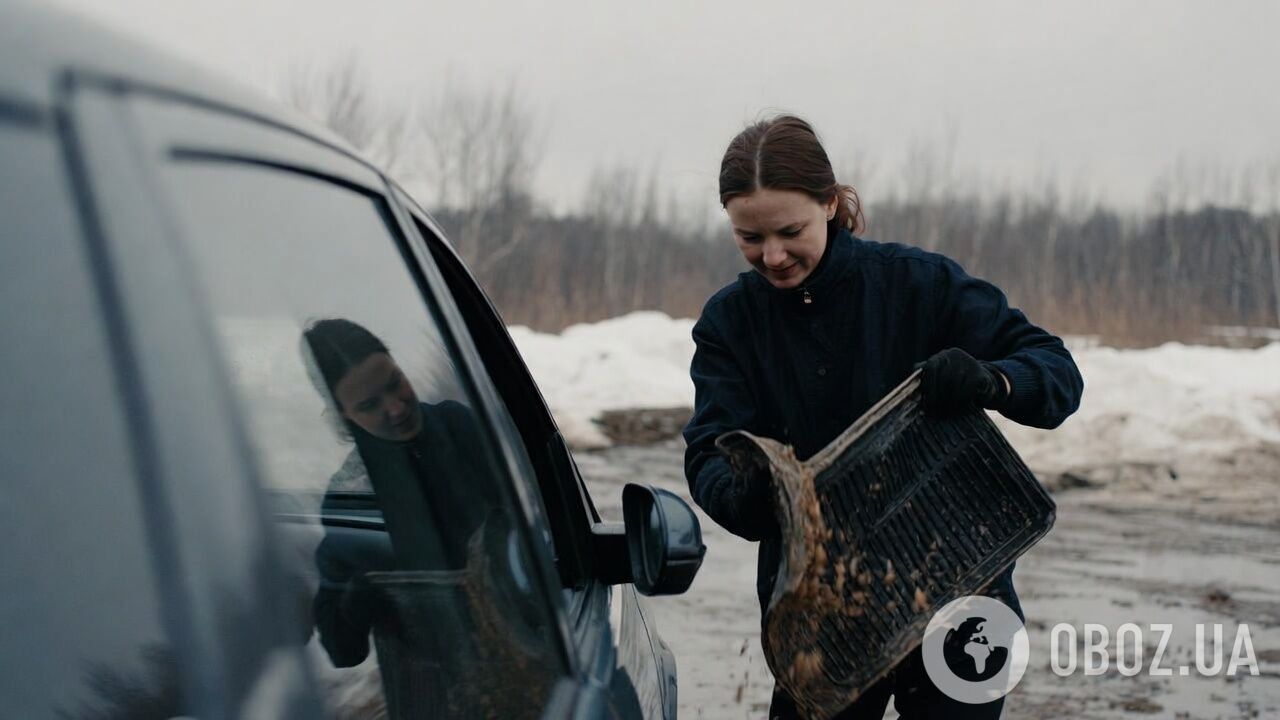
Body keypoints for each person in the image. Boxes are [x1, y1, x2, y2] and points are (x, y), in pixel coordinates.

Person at [682, 115, 1084, 719]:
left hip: (961, 596)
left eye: (790, 231)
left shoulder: (918, 285)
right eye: (749, 237)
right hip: (822, 620)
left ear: (829, 202)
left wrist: (991, 379)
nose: (772, 255)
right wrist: (750, 496)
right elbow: (709, 453)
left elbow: (1056, 373)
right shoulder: (730, 324)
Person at [301, 318, 496, 667]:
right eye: (369, 405)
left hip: (521, 648)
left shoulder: (461, 430)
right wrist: (361, 596)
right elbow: (343, 651)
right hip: (437, 684)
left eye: (395, 383)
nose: (395, 407)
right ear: (342, 415)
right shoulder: (350, 498)